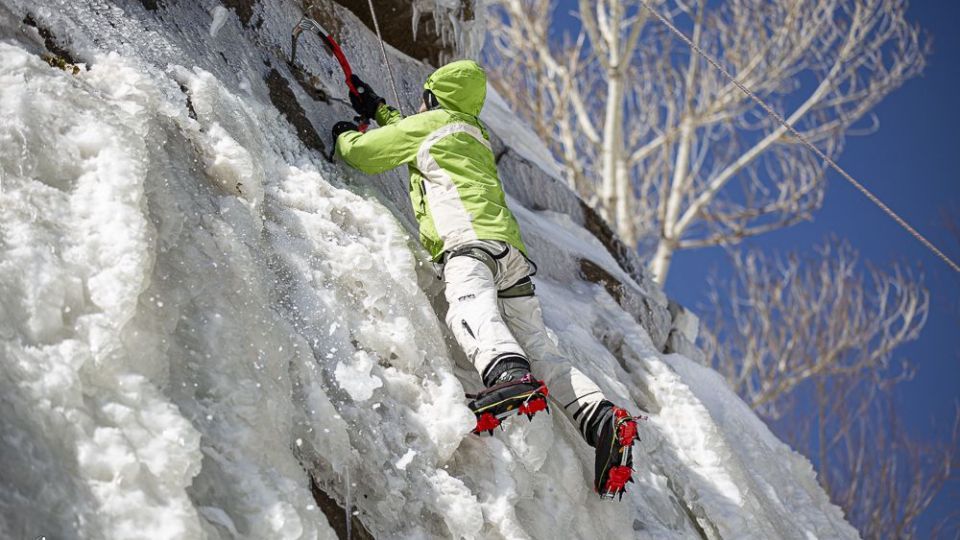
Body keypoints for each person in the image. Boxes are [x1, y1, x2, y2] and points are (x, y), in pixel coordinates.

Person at [332, 60, 638, 499]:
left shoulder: (432, 124)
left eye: (424, 97)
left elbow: (366, 155)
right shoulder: (469, 132)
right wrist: (380, 110)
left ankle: (508, 376)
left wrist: (348, 132)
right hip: (510, 254)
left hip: (467, 243)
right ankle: (601, 416)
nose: (420, 104)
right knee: (540, 346)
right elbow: (420, 137)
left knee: (470, 308)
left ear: (434, 98)